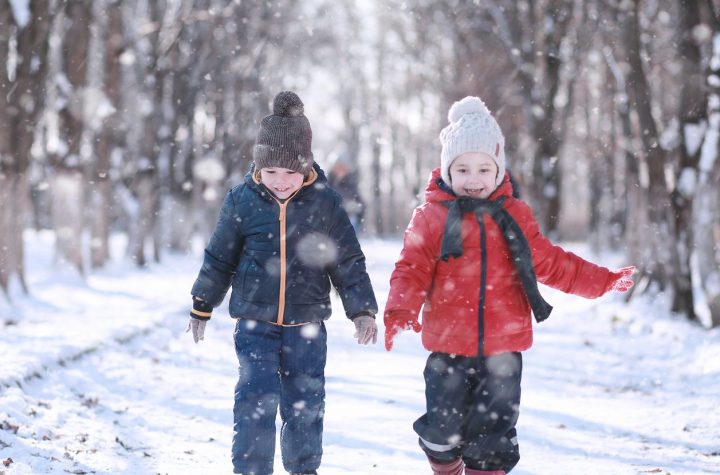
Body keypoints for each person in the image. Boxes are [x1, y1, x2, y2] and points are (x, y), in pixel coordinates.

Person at [383, 96, 635, 475]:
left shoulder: (514, 215)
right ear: (447, 170)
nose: (473, 179)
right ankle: (446, 465)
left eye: (484, 169)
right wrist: (400, 310)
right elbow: (411, 268)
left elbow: (550, 262)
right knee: (441, 429)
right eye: (463, 169)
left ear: (499, 169)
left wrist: (600, 280)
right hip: (448, 345)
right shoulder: (432, 217)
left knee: (493, 434)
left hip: (503, 349)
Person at [188, 91, 379, 475]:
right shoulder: (242, 200)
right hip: (255, 324)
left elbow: (347, 259)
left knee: (305, 404)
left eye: (290, 173)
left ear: (305, 168)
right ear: (259, 166)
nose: (280, 182)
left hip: (307, 324)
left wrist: (361, 309)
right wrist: (202, 303)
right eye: (271, 172)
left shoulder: (324, 203)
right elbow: (220, 256)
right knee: (255, 400)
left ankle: (303, 469)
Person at [327, 152, 365, 231]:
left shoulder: (351, 185)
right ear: (333, 167)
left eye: (343, 167)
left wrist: (355, 208)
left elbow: (362, 206)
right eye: (338, 166)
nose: (340, 170)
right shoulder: (325, 183)